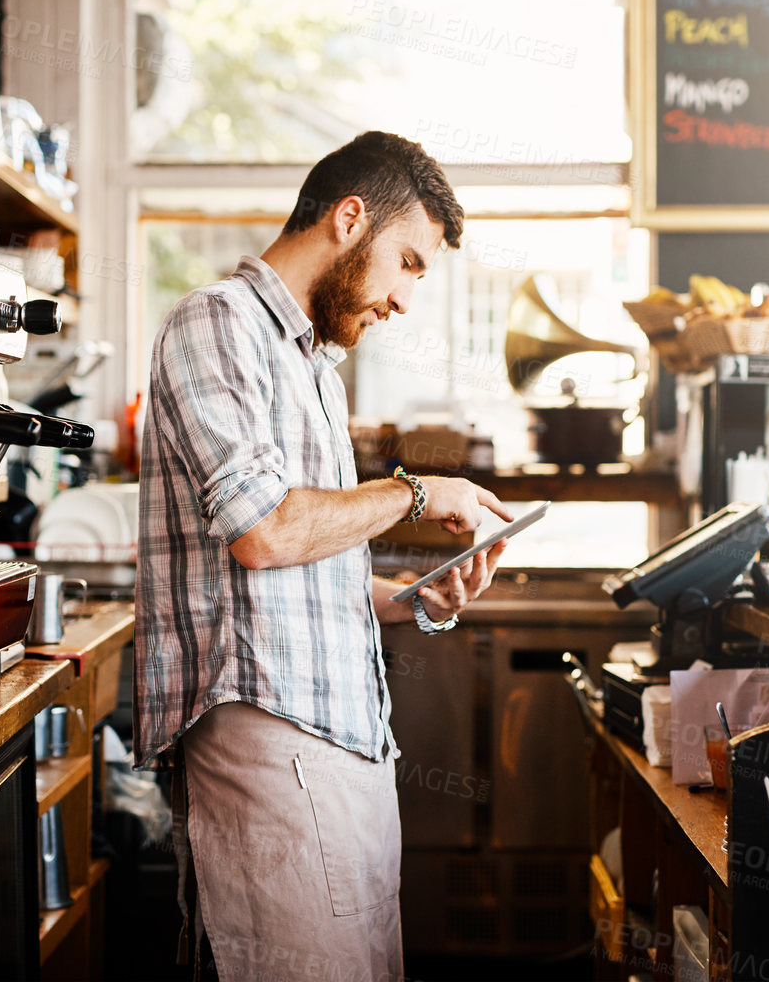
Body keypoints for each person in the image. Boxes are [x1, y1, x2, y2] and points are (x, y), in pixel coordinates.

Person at [135, 131, 512, 981]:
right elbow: (264, 530)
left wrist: (416, 597)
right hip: (272, 747)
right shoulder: (216, 322)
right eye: (406, 261)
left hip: (345, 752)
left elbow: (302, 567)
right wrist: (417, 493)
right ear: (350, 219)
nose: (406, 299)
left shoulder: (313, 369)